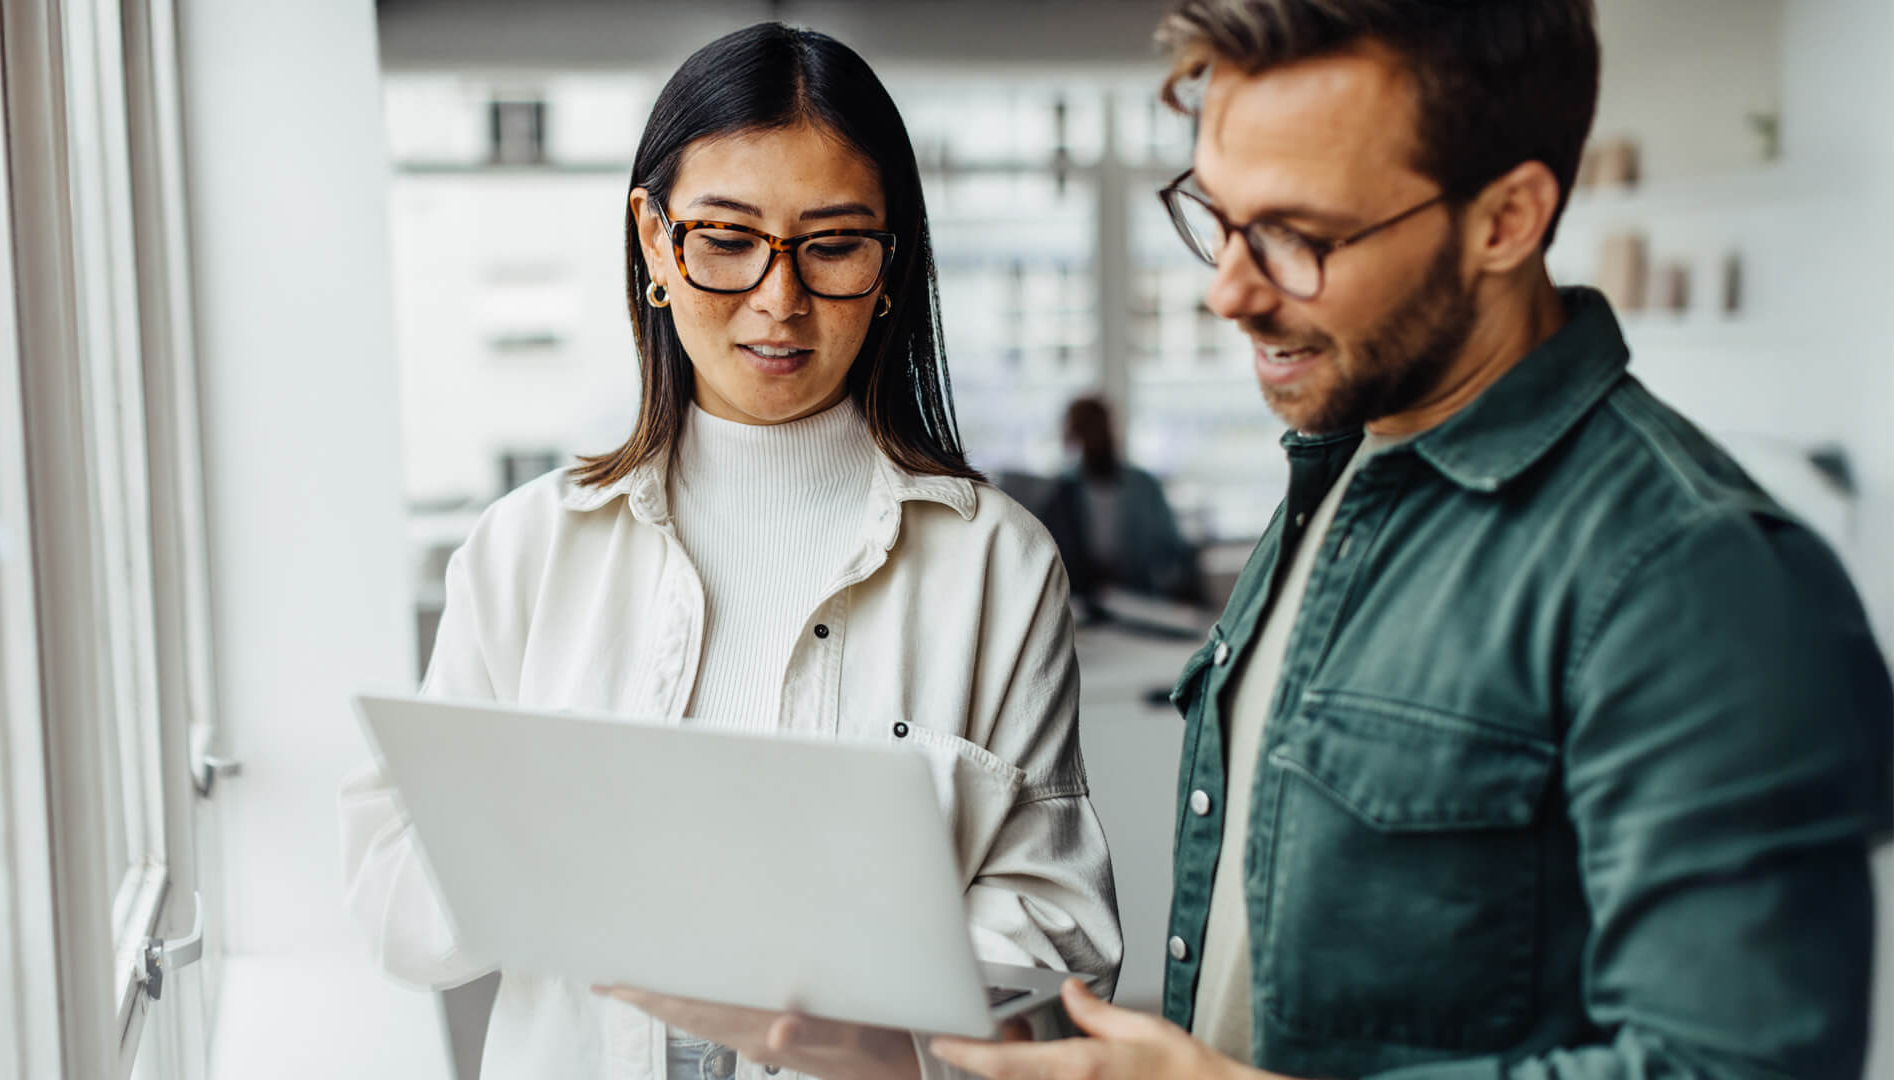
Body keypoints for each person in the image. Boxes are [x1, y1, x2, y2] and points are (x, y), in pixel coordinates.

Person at [934, 2, 1893, 1079]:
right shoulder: (1341, 467)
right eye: (1217, 214)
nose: (1227, 291)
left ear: (1507, 219)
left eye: (1299, 237)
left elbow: (1736, 1068)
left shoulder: (1699, 577)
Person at [341, 23, 1121, 1080]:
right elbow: (397, 916)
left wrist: (873, 1020)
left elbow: (1061, 939)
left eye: (834, 244)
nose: (778, 298)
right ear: (655, 242)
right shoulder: (526, 549)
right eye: (726, 237)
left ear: (893, 263)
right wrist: (564, 838)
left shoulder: (998, 566)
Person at [1041, 395, 1202, 608]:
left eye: (1096, 429)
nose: (1092, 439)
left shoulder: (1144, 487)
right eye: (1084, 431)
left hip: (1142, 599)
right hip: (1083, 603)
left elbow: (1172, 550)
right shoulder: (1062, 490)